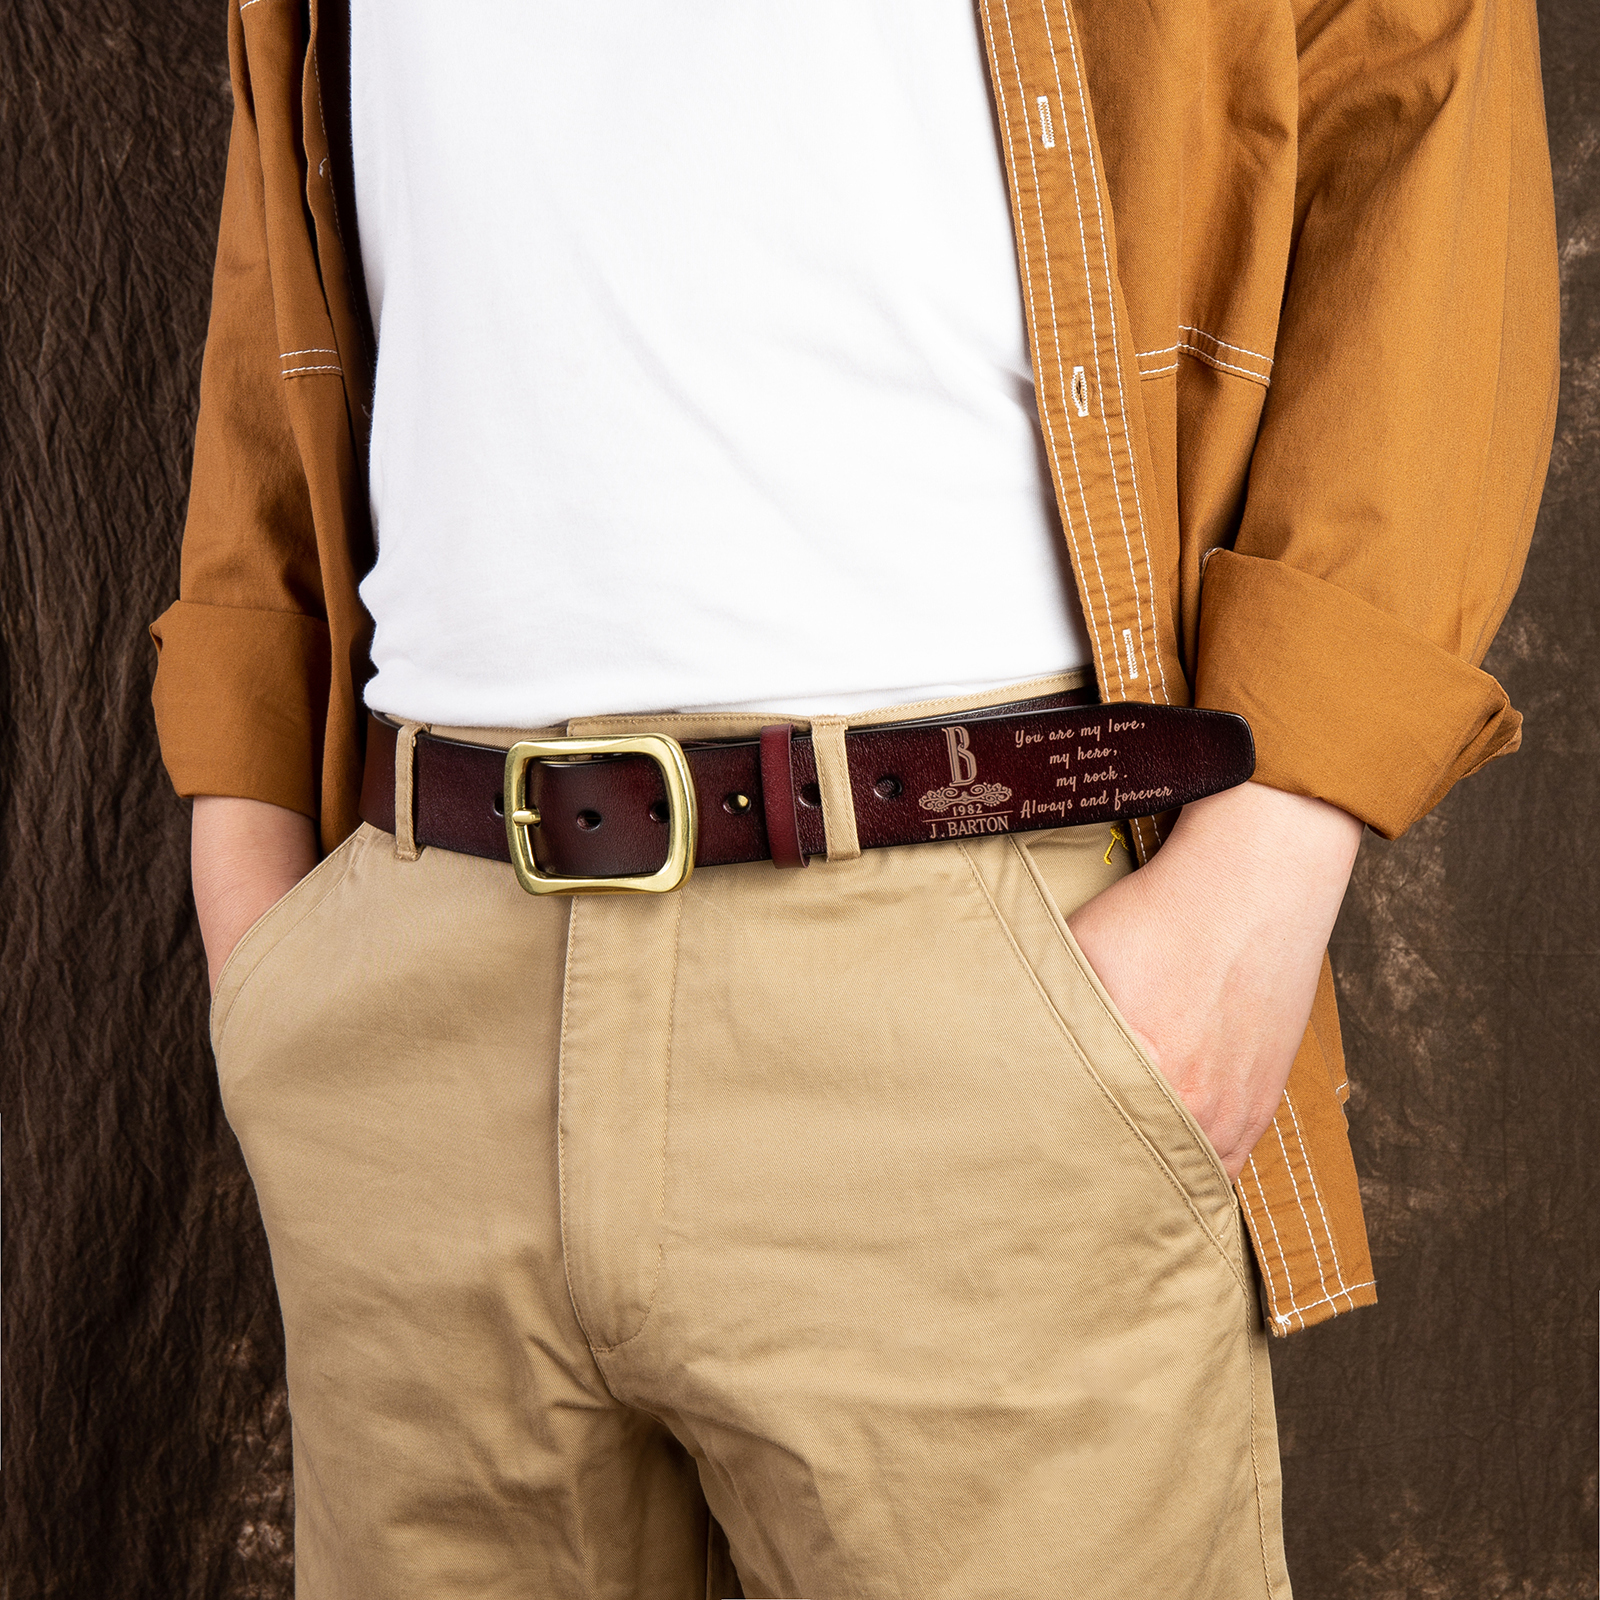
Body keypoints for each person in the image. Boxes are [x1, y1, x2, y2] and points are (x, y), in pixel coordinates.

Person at [151, 1, 1558, 1594]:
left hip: (979, 982)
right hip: (422, 997)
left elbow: (1417, 81)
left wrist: (1268, 862)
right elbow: (293, 230)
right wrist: (257, 898)